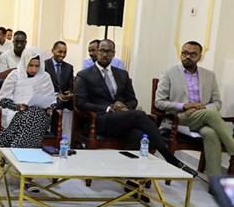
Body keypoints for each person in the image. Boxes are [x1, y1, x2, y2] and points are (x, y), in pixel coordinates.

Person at [75, 39, 197, 176]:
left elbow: (133, 100)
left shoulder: (122, 74)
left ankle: (132, 179)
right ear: (97, 52)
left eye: (108, 51)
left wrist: (125, 107)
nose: (104, 54)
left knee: (140, 136)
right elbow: (81, 103)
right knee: (140, 115)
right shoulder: (84, 75)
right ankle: (169, 157)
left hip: (123, 120)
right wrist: (109, 108)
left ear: (113, 54)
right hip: (100, 120)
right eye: (101, 51)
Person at [155, 41, 234, 181]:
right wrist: (184, 106)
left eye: (192, 54)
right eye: (184, 53)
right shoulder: (169, 73)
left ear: (200, 57)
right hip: (179, 118)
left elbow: (217, 102)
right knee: (210, 114)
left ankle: (215, 183)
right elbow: (159, 102)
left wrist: (200, 108)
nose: (187, 57)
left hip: (202, 117)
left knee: (210, 133)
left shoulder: (209, 75)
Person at [0, 48, 56, 166]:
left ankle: (12, 158)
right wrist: (17, 106)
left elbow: (52, 99)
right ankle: (25, 162)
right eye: (30, 65)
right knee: (29, 117)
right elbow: (2, 100)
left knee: (34, 114)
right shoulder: (15, 75)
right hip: (16, 112)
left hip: (41, 115)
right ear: (25, 62)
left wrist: (50, 107)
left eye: (37, 66)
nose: (33, 69)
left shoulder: (45, 77)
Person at [44, 40, 74, 109]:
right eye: (60, 52)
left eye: (65, 52)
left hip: (65, 100)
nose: (62, 55)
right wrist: (56, 95)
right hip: (49, 99)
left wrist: (69, 93)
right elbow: (42, 87)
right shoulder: (44, 65)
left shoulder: (69, 68)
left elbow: (71, 86)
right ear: (53, 51)